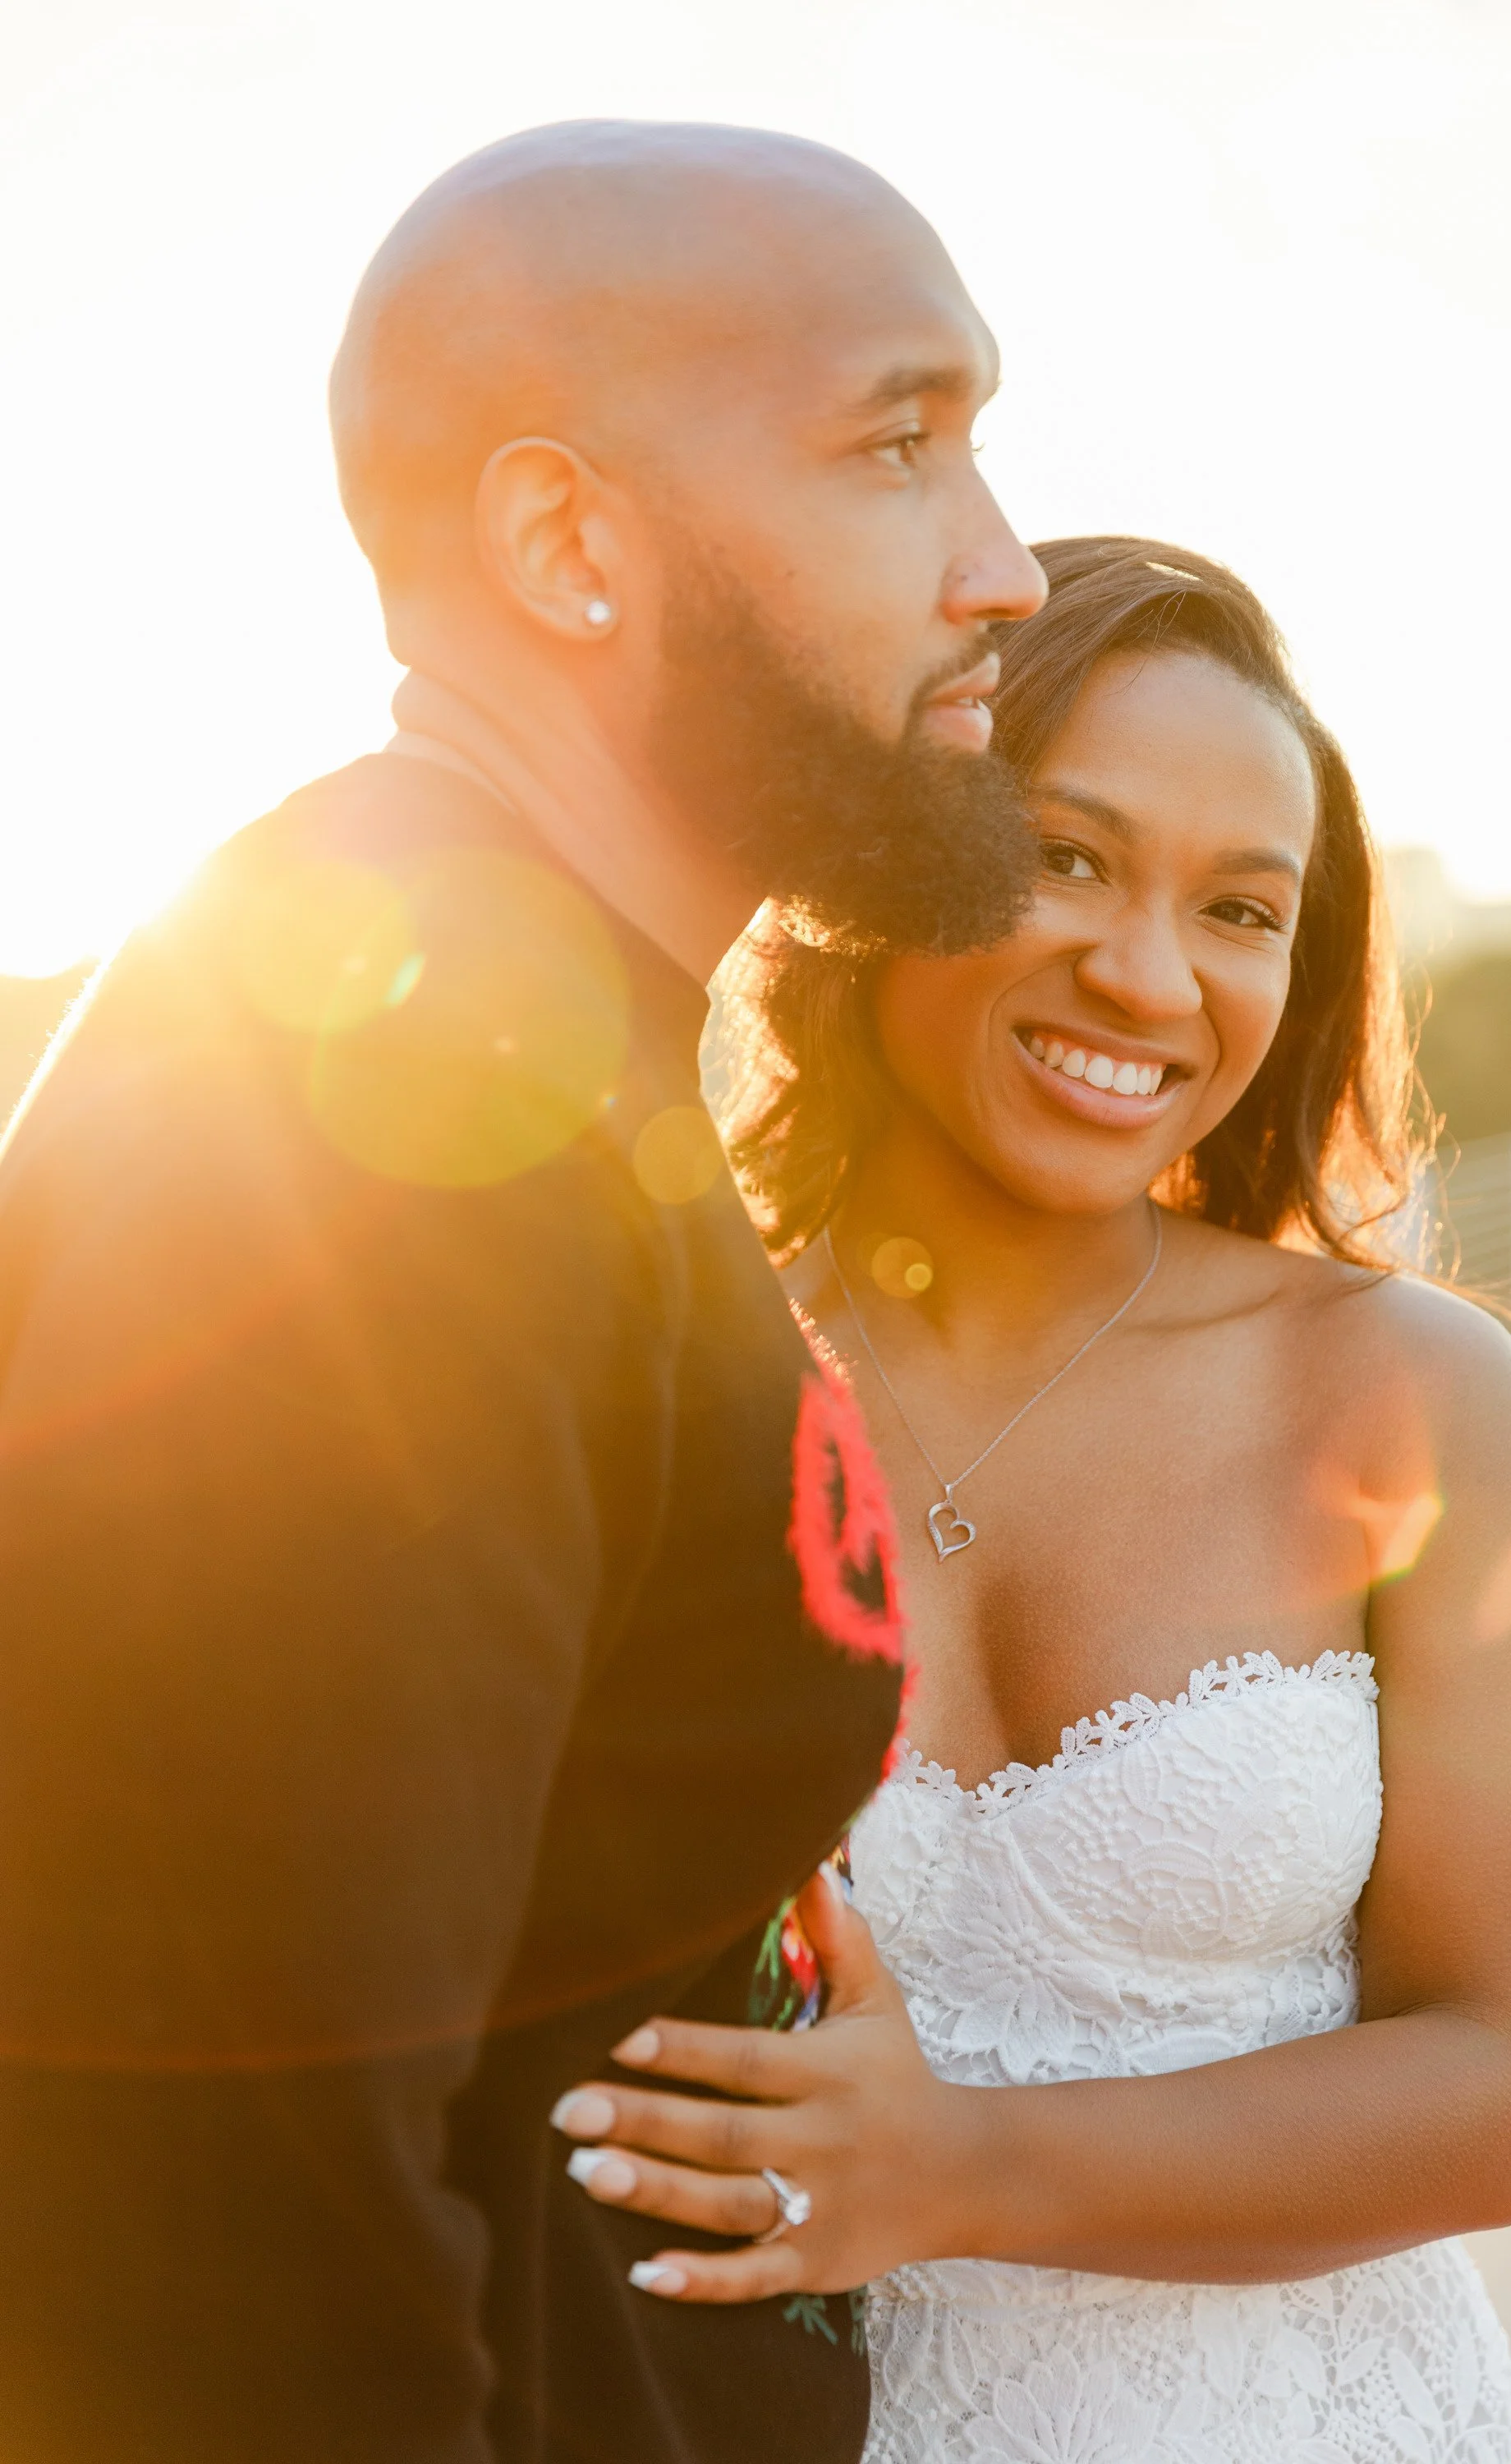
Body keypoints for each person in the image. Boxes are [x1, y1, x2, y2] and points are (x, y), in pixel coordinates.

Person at [0, 123, 1048, 2464]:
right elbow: (197, 2204)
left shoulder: (535, 1049)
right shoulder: (368, 1129)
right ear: (569, 541)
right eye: (901, 444)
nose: (1009, 571)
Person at [548, 538, 1511, 2462]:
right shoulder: (666, 1384)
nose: (1145, 975)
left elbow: (1504, 2084)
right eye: (1063, 855)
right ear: (888, 859)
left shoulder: (1406, 1400)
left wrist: (959, 2168)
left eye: (1237, 908)